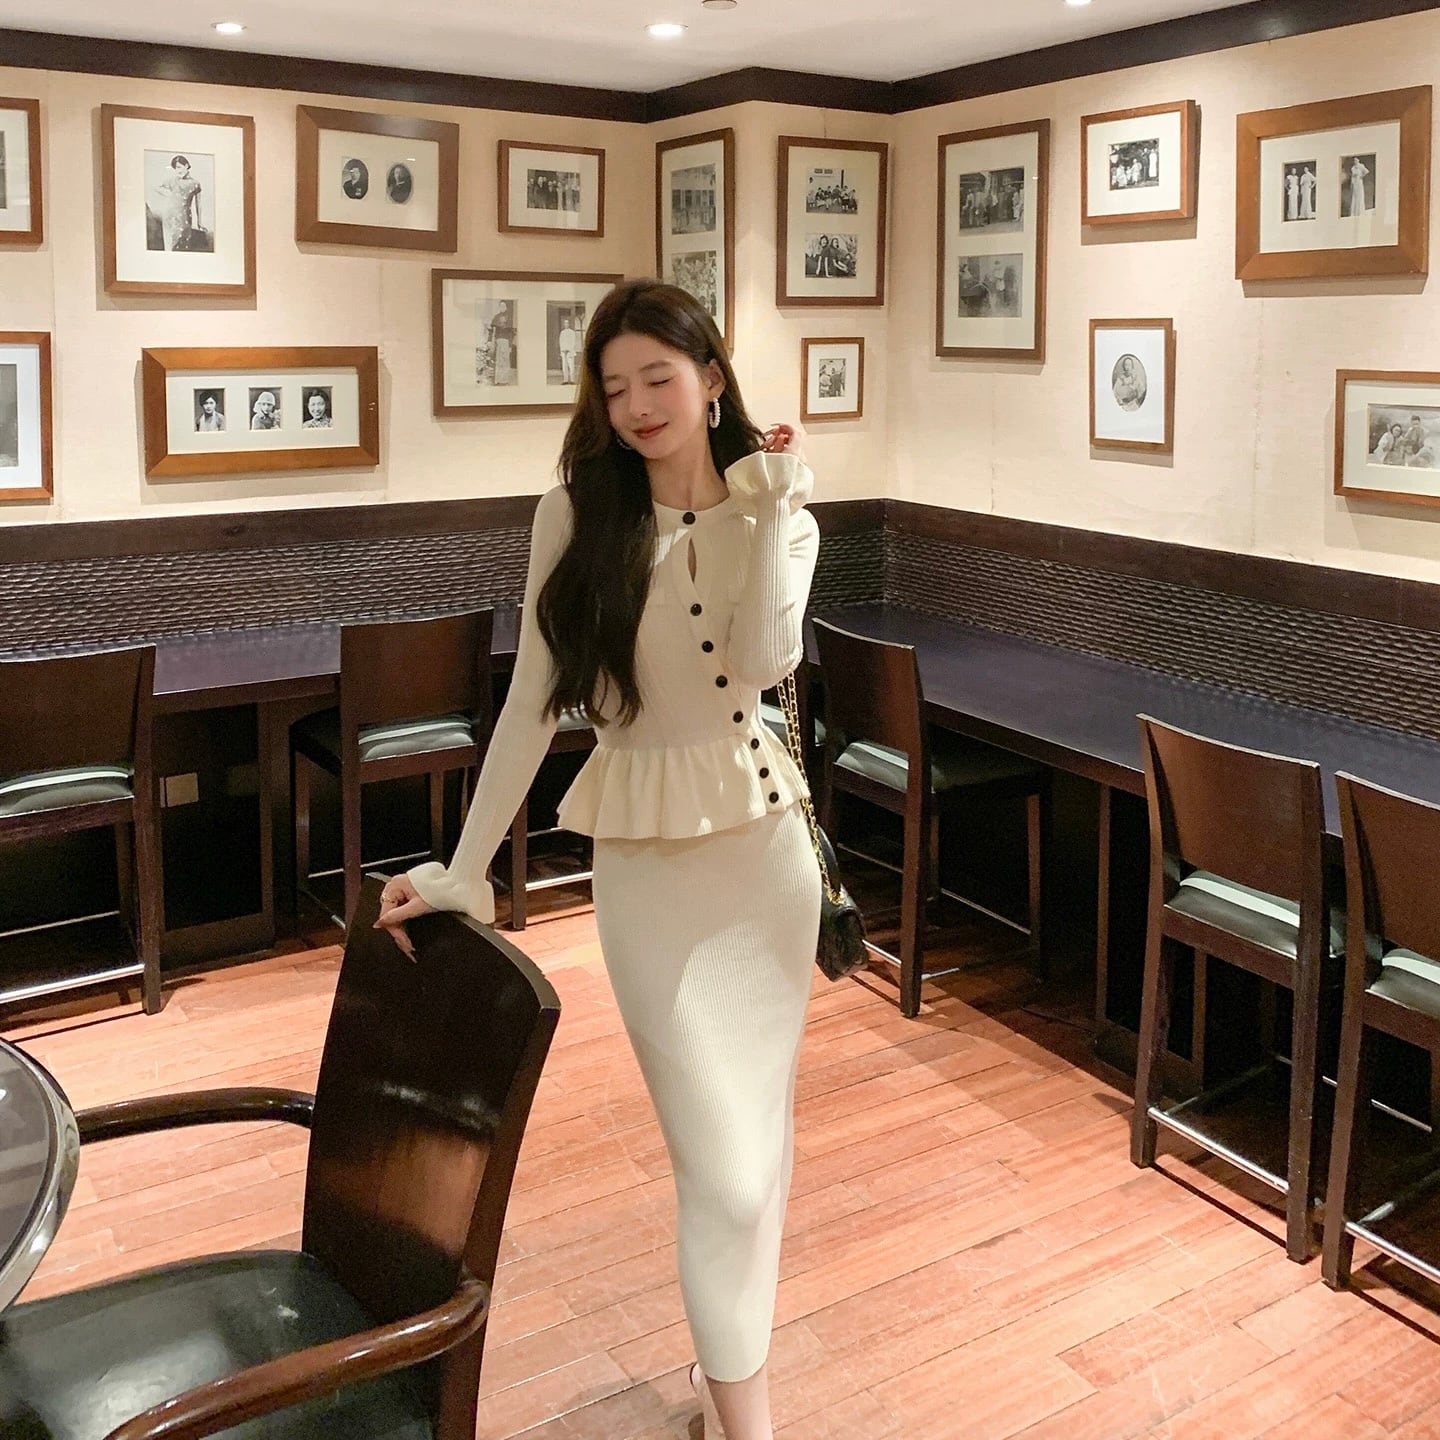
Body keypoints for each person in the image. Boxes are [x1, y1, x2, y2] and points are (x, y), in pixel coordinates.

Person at [376, 279, 821, 1440]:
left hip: (766, 862)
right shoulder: (575, 513)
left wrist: (768, 508)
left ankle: (732, 1402)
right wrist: (467, 867)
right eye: (614, 387)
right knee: (724, 1171)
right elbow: (532, 699)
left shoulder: (779, 508)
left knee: (760, 1155)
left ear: (711, 379)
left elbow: (765, 663)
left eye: (657, 378)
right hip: (647, 873)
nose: (635, 406)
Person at [152, 154, 204, 251]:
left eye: (179, 167)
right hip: (169, 218)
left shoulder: (195, 184)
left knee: (183, 246)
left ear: (186, 166)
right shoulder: (172, 180)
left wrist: (200, 223)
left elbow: (199, 205)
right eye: (175, 168)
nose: (177, 170)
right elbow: (156, 187)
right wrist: (168, 194)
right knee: (170, 247)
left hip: (185, 219)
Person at [558, 316, 580, 384]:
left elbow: (573, 342)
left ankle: (572, 380)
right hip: (563, 352)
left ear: (569, 324)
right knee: (564, 366)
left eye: (567, 323)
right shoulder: (562, 332)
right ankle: (565, 380)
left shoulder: (572, 332)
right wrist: (562, 350)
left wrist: (569, 349)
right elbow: (560, 342)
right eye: (565, 323)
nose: (566, 324)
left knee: (571, 366)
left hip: (570, 352)